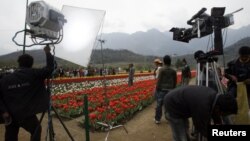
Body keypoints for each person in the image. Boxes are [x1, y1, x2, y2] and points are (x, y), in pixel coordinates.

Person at [0, 45, 54, 141]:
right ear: (31, 64)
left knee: (10, 136)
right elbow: (49, 69)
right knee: (36, 129)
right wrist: (47, 52)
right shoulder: (34, 73)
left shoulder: (5, 79)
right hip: (26, 114)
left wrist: (4, 112)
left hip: (10, 115)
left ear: (19, 64)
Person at [164, 85, 238, 141]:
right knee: (180, 135)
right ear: (219, 109)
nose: (222, 115)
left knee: (185, 126)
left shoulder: (214, 97)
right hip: (173, 105)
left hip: (180, 101)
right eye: (224, 114)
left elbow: (214, 114)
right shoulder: (203, 105)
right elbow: (201, 128)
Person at [154, 55, 177, 124]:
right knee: (169, 105)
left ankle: (157, 119)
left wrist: (157, 88)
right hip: (170, 90)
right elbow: (175, 81)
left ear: (164, 61)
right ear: (170, 62)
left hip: (162, 90)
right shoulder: (173, 70)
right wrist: (173, 88)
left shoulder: (162, 70)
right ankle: (169, 118)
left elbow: (159, 80)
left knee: (159, 105)